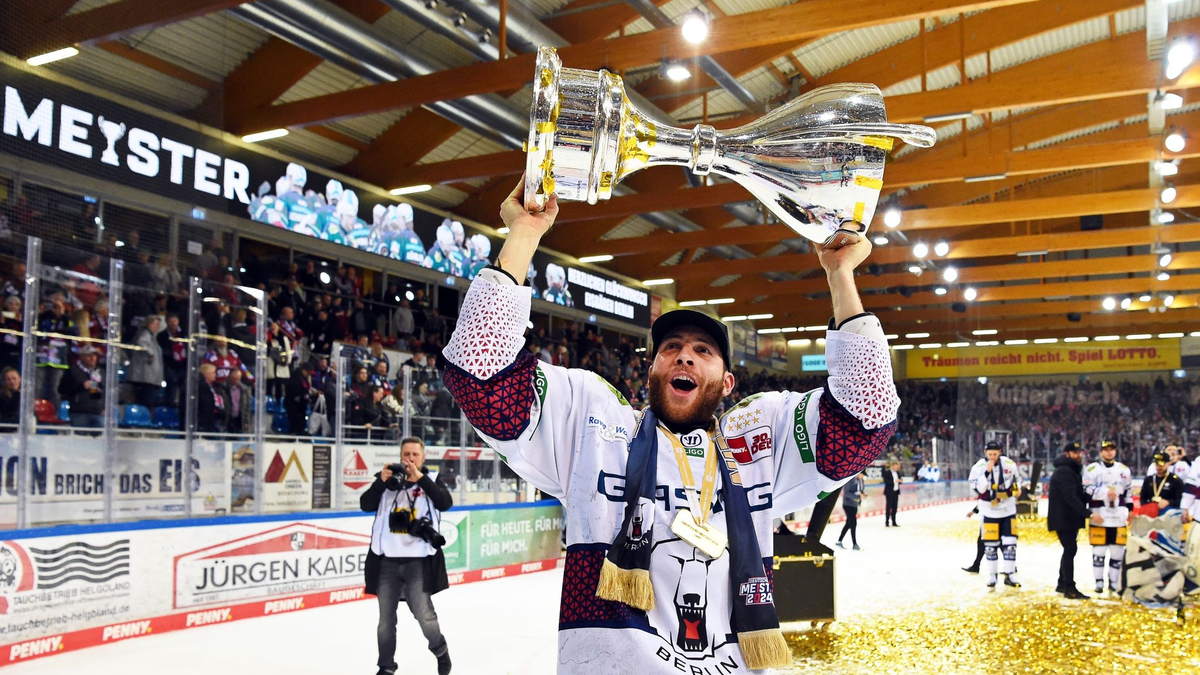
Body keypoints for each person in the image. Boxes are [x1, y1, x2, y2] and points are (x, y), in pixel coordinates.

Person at [440, 178, 899, 673]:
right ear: (653, 369)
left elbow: (865, 418)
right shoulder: (594, 425)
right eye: (670, 348)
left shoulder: (758, 442)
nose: (684, 354)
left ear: (727, 383)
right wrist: (525, 234)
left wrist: (840, 274)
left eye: (702, 350)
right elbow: (479, 373)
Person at [360, 437, 454, 675]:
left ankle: (440, 650)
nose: (410, 459)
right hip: (387, 562)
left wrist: (421, 479)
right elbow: (365, 504)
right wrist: (380, 483)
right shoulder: (388, 481)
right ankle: (386, 667)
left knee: (424, 615)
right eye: (406, 455)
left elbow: (445, 502)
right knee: (385, 621)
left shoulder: (431, 481)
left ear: (423, 458)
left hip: (418, 562)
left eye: (415, 455)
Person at [1082, 440, 1133, 595]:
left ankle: (1114, 582)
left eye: (1112, 449)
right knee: (1099, 550)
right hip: (1099, 514)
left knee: (1118, 551)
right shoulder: (1092, 469)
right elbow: (1086, 488)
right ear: (1100, 452)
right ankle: (1098, 582)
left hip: (1118, 515)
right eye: (1106, 450)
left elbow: (1129, 492)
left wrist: (1130, 510)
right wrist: (1104, 492)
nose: (1109, 452)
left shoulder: (1124, 470)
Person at [969, 442, 1021, 588]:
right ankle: (992, 576)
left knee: (1010, 543)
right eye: (990, 454)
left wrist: (1018, 489)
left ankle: (1010, 575)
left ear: (1000, 451)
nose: (993, 457)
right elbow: (977, 487)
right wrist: (987, 472)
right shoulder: (978, 467)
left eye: (995, 454)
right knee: (990, 546)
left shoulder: (1009, 464)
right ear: (985, 452)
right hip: (988, 511)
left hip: (1008, 509)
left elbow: (1017, 481)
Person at [1047, 442, 1091, 599]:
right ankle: (1069, 588)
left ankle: (1062, 582)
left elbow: (1075, 494)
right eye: (1074, 452)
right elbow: (1070, 496)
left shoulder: (1069, 470)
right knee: (1070, 550)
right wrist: (1087, 513)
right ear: (1067, 454)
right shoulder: (1065, 471)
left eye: (1079, 452)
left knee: (1069, 549)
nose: (1078, 455)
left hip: (1067, 518)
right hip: (1064, 518)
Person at [59, 345, 105, 428]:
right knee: (80, 438)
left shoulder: (99, 371)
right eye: (89, 356)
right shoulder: (72, 371)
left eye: (94, 355)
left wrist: (104, 407)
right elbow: (62, 389)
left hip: (98, 412)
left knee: (100, 439)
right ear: (82, 357)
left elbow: (105, 391)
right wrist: (81, 386)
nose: (92, 358)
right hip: (79, 412)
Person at [126, 315, 163, 409]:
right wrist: (150, 354)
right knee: (146, 399)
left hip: (149, 376)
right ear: (149, 324)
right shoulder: (145, 334)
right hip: (145, 375)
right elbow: (141, 343)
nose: (157, 327)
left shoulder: (152, 336)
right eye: (156, 324)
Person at [158, 313, 187, 408]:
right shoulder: (162, 335)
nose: (173, 323)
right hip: (170, 364)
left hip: (183, 365)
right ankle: (169, 405)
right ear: (167, 322)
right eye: (171, 321)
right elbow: (162, 350)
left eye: (175, 321)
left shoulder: (184, 334)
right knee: (172, 383)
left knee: (184, 385)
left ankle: (182, 405)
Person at [284, 361, 316, 436]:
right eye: (308, 373)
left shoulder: (304, 379)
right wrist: (303, 395)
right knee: (294, 422)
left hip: (301, 406)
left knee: (301, 421)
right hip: (293, 405)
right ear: (304, 370)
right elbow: (295, 391)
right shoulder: (296, 378)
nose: (309, 375)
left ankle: (300, 433)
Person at [835, 472, 866, 550]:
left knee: (848, 524)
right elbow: (846, 494)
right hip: (848, 505)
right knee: (853, 523)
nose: (863, 476)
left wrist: (862, 496)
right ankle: (854, 544)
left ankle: (839, 541)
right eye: (862, 474)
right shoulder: (850, 480)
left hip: (854, 505)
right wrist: (858, 497)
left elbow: (860, 491)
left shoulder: (861, 481)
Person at [196, 363, 227, 433]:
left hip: (216, 418)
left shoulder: (215, 386)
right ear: (206, 374)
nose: (215, 375)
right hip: (206, 421)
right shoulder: (200, 387)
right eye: (213, 373)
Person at [225, 368, 253, 433]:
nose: (235, 381)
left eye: (237, 379)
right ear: (229, 378)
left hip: (240, 421)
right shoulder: (223, 388)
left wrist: (246, 422)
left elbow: (247, 407)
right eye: (233, 379)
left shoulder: (245, 390)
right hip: (227, 420)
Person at [883, 460, 901, 526]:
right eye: (896, 467)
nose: (897, 468)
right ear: (893, 466)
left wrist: (900, 481)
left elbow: (899, 480)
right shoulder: (887, 472)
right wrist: (894, 481)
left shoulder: (898, 473)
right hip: (889, 492)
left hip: (896, 492)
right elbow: (886, 481)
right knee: (888, 507)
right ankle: (887, 522)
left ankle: (894, 521)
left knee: (895, 507)